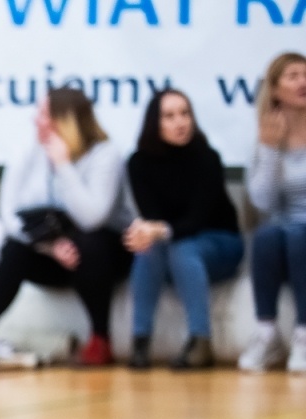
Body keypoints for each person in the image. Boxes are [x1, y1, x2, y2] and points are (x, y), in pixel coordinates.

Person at [0, 88, 133, 369]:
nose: (35, 121)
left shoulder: (106, 154)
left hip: (103, 253)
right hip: (51, 247)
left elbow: (93, 218)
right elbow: (9, 214)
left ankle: (100, 339)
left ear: (67, 121)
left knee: (91, 243)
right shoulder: (28, 152)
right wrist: (49, 247)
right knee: (13, 251)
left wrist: (63, 165)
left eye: (43, 115)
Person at [123, 89, 243, 371]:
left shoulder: (207, 158)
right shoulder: (138, 162)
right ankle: (140, 340)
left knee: (181, 248)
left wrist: (157, 230)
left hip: (220, 242)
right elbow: (150, 216)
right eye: (170, 116)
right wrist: (143, 232)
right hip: (171, 243)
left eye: (185, 114)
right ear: (155, 123)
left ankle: (201, 340)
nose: (180, 122)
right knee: (147, 249)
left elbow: (197, 220)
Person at [240, 51, 306, 374]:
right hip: (283, 229)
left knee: (297, 234)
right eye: (293, 76)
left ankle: (304, 335)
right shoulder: (266, 138)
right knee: (266, 234)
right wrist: (268, 149)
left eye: (305, 74)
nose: (303, 81)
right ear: (276, 90)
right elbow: (262, 203)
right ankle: (267, 334)